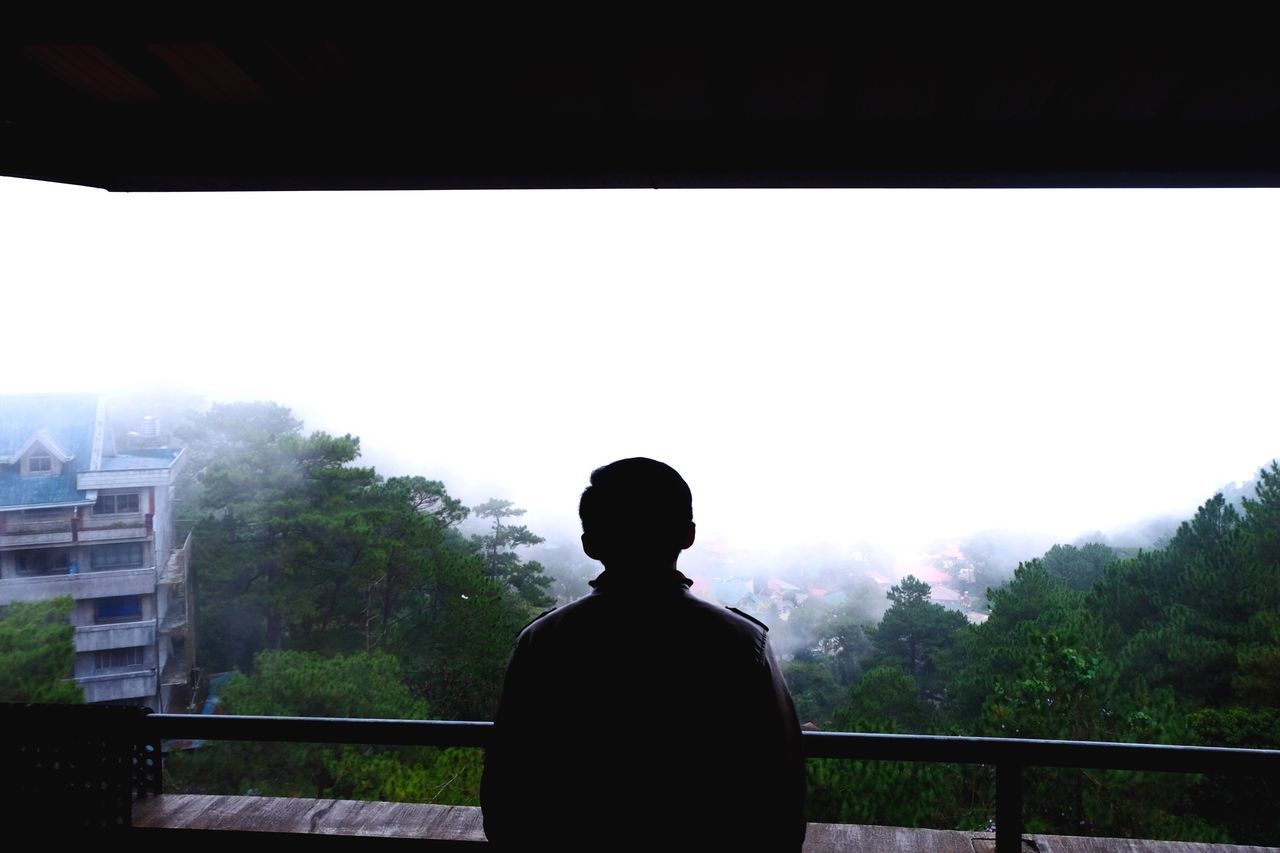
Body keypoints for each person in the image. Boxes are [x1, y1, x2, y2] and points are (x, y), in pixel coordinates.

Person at [480, 457, 806, 851]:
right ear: (688, 535)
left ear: (591, 544)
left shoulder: (544, 640)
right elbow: (779, 791)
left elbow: (506, 786)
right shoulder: (740, 642)